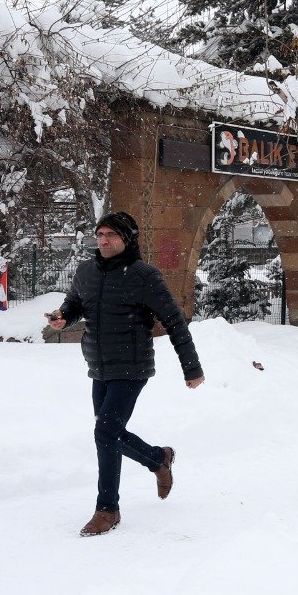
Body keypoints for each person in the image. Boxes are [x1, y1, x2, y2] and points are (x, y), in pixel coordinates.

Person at [46, 211, 204, 536]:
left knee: (105, 432)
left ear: (126, 239)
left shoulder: (143, 275)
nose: (104, 240)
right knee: (110, 435)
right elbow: (75, 303)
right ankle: (158, 459)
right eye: (100, 234)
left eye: (111, 235)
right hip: (98, 365)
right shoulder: (86, 271)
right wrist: (65, 317)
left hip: (131, 366)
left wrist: (191, 367)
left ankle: (107, 509)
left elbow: (173, 319)